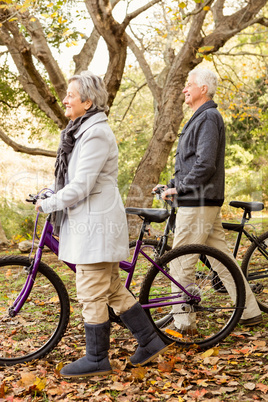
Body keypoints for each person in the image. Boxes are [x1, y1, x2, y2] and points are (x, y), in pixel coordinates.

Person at [35, 71, 168, 378]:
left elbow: (81, 185)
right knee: (110, 287)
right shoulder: (82, 131)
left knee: (92, 292)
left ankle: (96, 358)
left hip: (94, 226)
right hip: (93, 223)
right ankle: (149, 341)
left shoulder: (94, 133)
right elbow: (77, 180)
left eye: (71, 95)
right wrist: (52, 193)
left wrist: (51, 203)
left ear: (88, 101)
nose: (65, 99)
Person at [154, 68, 262, 333]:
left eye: (189, 85)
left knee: (181, 262)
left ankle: (182, 324)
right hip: (201, 201)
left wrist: (180, 188)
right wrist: (170, 185)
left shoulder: (209, 117)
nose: (184, 89)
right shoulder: (201, 117)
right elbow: (191, 163)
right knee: (221, 259)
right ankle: (250, 312)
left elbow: (205, 164)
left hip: (198, 203)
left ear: (203, 88)